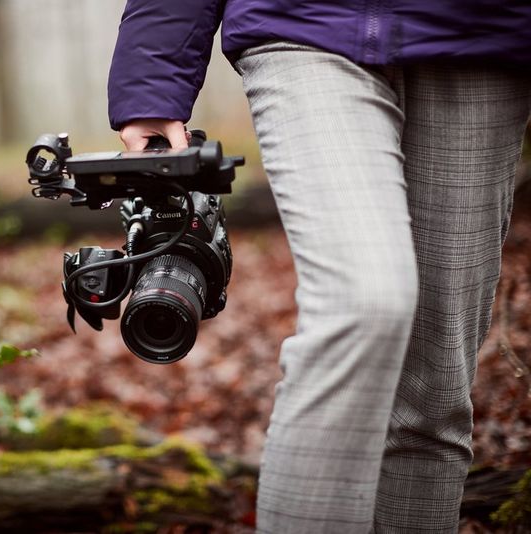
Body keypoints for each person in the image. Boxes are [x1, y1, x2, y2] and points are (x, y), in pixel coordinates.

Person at [107, 2, 531, 533]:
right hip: (306, 25)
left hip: (483, 38)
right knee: (364, 302)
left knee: (435, 391)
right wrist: (151, 83)